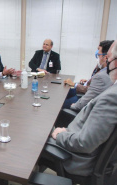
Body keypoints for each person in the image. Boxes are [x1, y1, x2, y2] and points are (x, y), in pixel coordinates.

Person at [39, 40, 117, 177]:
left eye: (108, 57)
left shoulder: (112, 98)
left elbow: (85, 143)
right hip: (75, 136)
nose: (106, 60)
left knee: (35, 135)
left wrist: (61, 134)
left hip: (74, 156)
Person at [63, 40, 114, 109]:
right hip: (85, 95)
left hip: (83, 100)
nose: (97, 54)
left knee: (60, 103)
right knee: (63, 94)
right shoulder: (106, 70)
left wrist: (73, 106)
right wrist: (88, 81)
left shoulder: (102, 76)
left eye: (98, 53)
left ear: (106, 57)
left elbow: (85, 100)